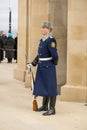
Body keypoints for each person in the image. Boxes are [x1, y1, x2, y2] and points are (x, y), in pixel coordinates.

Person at [27, 21, 59, 116]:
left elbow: (54, 55)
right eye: (42, 28)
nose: (43, 29)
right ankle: (45, 105)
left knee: (51, 87)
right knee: (45, 86)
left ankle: (52, 108)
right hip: (41, 66)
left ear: (49, 30)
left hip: (48, 66)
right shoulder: (43, 40)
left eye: (45, 28)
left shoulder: (51, 40)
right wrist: (33, 64)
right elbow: (39, 55)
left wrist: (52, 64)